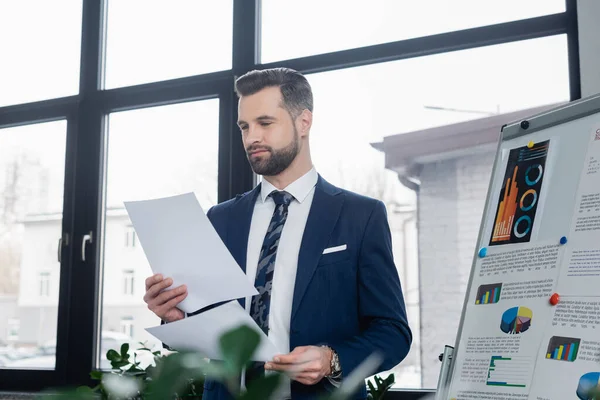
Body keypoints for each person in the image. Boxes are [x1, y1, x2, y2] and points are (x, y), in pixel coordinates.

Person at [143, 68, 412, 400]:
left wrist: (333, 360)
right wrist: (175, 320)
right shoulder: (220, 218)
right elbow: (207, 329)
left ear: (304, 122)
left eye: (265, 123)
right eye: (245, 126)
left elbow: (393, 332)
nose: (252, 137)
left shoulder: (360, 215)